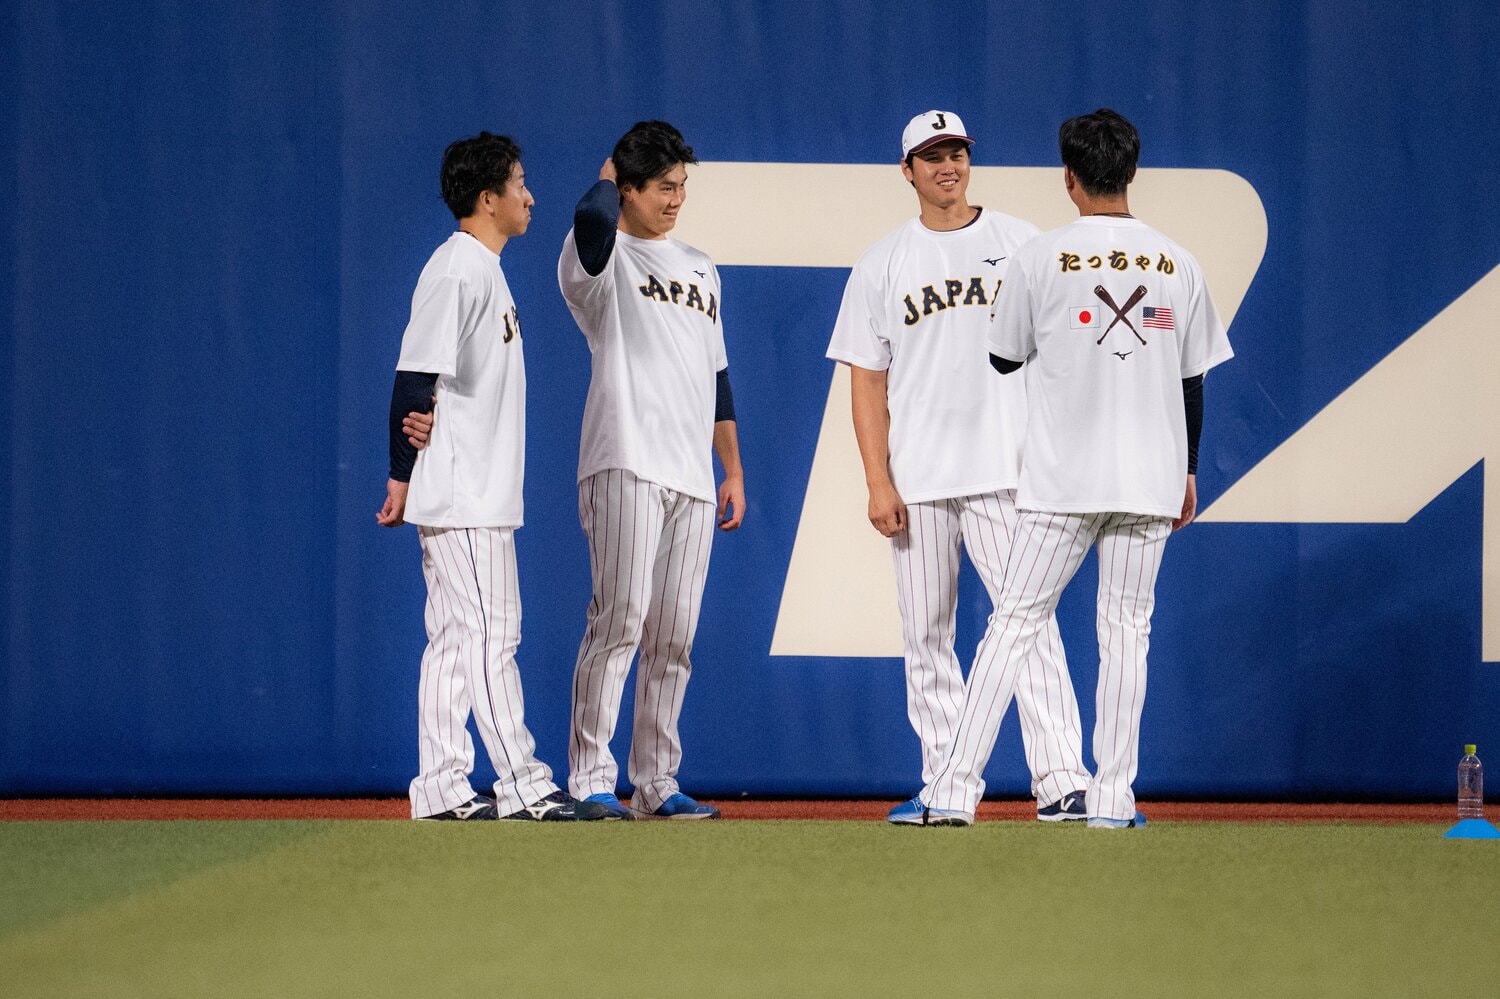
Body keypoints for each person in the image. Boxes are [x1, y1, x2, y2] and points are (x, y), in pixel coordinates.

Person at [916, 109, 1234, 827]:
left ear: (1069, 178)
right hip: (1150, 476)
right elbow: (1193, 381)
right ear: (1131, 171)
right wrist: (1186, 470)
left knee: (1014, 624)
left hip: (1063, 480)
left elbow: (1002, 355)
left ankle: (952, 791)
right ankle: (1114, 800)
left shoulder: (1037, 256)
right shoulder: (1176, 260)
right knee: (1125, 630)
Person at [826, 110, 1090, 825]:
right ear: (907, 170)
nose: (948, 165)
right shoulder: (882, 262)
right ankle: (947, 783)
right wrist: (877, 479)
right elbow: (866, 381)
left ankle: (1064, 778)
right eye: (932, 155)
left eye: (957, 152)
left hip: (1008, 471)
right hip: (918, 478)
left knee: (1028, 623)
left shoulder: (1021, 243)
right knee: (927, 637)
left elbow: (1066, 351)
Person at [377, 132, 606, 822]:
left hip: (472, 488)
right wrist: (399, 475)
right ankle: (524, 781)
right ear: (488, 198)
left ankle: (442, 784)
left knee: (454, 638)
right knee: (490, 634)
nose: (529, 196)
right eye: (519, 184)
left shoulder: (484, 268)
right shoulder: (457, 270)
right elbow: (414, 376)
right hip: (463, 489)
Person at [557, 120, 745, 820]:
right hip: (624, 457)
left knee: (674, 633)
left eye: (682, 186)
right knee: (621, 619)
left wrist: (731, 466)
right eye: (663, 186)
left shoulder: (701, 266)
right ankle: (589, 776)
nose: (676, 199)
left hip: (692, 475)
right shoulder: (598, 259)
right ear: (629, 189)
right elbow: (589, 213)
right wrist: (609, 173)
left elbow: (717, 374)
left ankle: (657, 779)